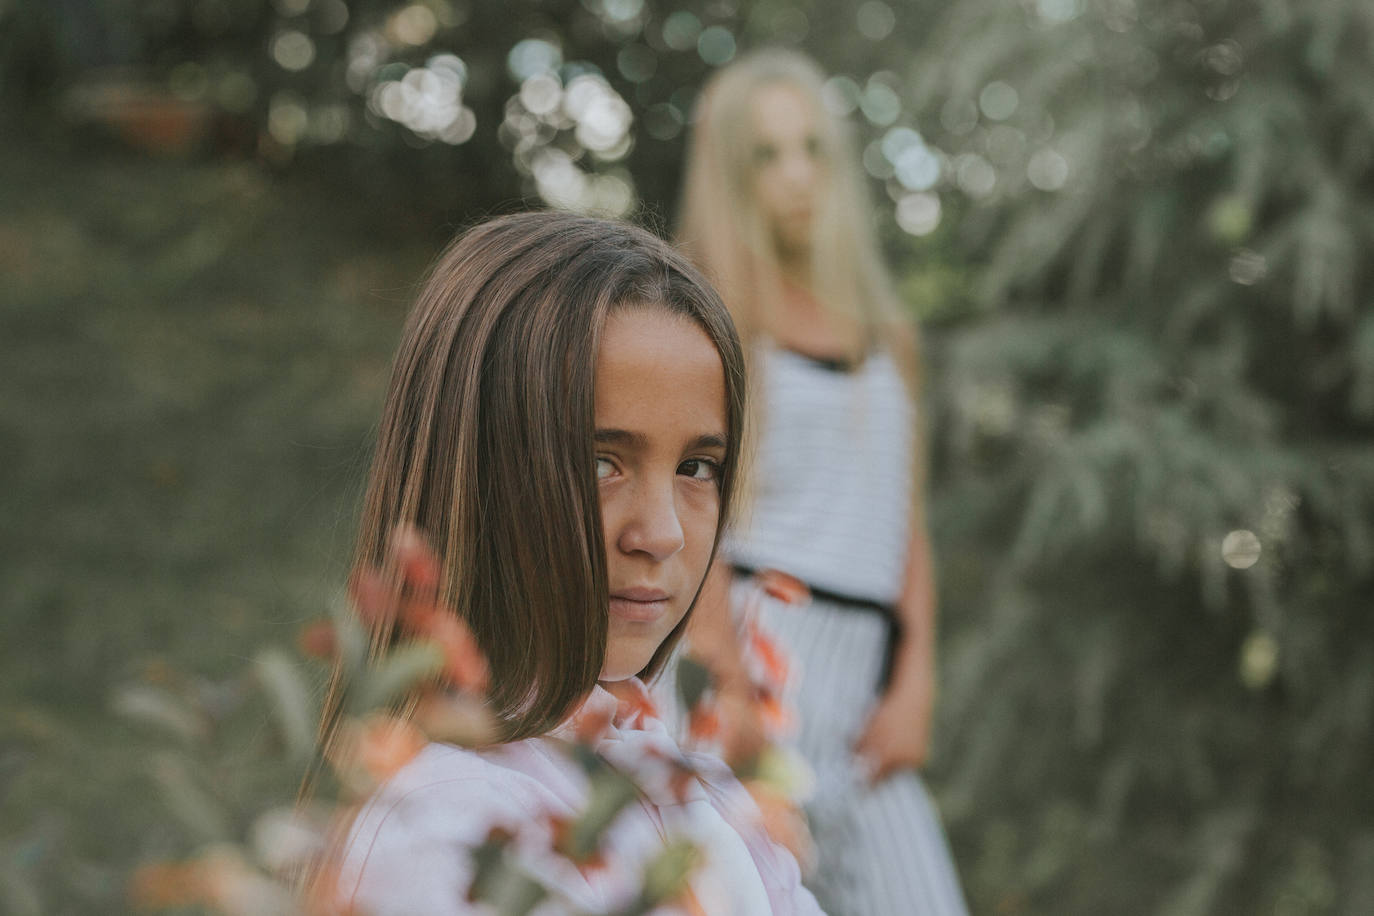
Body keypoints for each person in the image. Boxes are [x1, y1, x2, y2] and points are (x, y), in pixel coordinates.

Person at [326, 211, 823, 915]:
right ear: (477, 471)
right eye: (600, 463)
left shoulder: (708, 800)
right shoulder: (447, 827)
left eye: (696, 468)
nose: (661, 535)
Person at [671, 50, 970, 916]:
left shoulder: (887, 334)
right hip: (761, 655)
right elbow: (698, 509)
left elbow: (904, 523)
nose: (798, 175)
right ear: (731, 173)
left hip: (866, 683)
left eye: (813, 149)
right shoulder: (717, 322)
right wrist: (728, 684)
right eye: (767, 155)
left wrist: (914, 686)